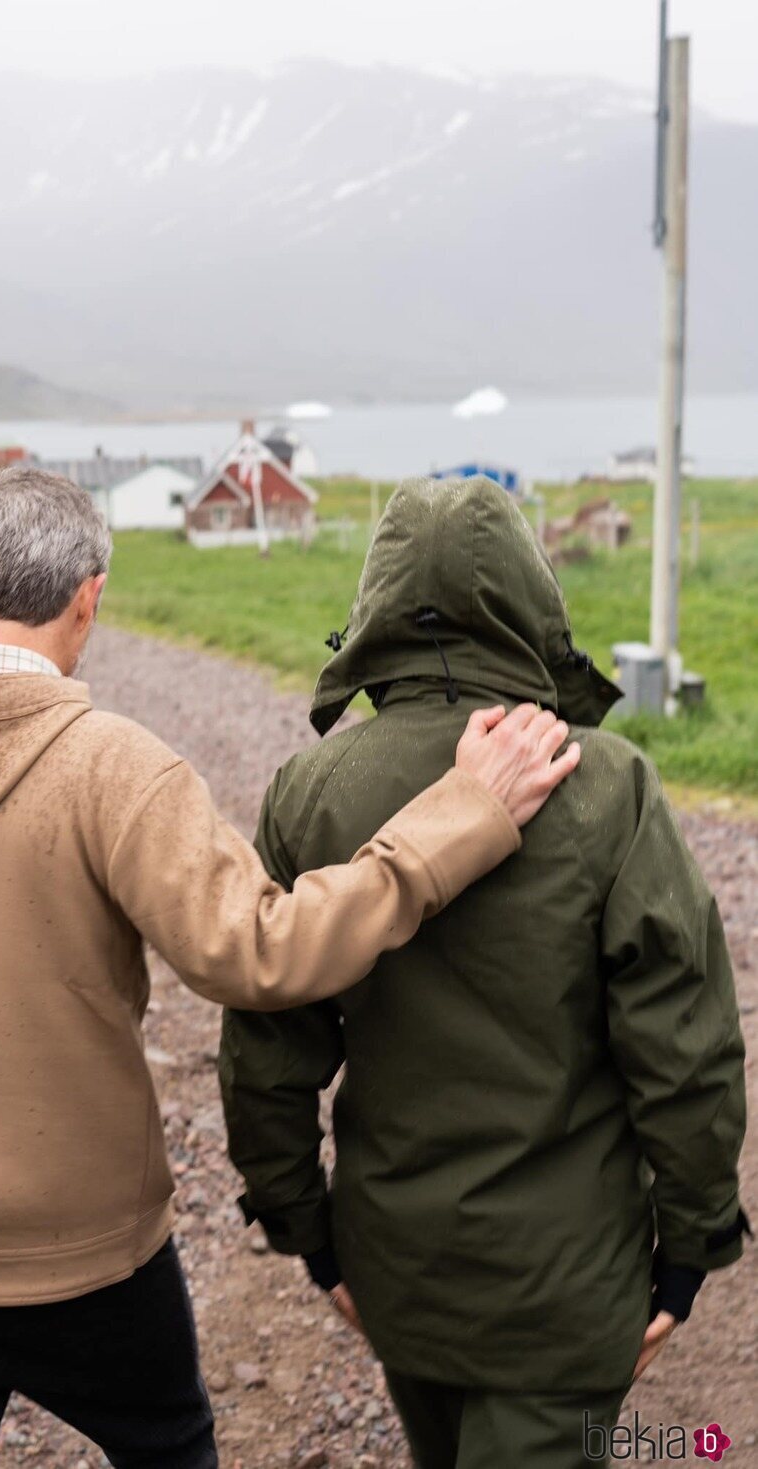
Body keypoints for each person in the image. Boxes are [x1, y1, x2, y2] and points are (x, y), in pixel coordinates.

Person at [0, 468, 579, 1469]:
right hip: (84, 1260)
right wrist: (464, 814)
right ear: (90, 596)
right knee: (168, 1446)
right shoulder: (110, 763)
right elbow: (262, 952)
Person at [219, 475, 748, 1469]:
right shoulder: (605, 787)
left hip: (397, 1273)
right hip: (564, 1287)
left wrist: (306, 1229)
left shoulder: (309, 791)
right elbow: (682, 1052)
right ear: (529, 599)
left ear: (374, 605)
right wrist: (690, 1244)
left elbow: (265, 1044)